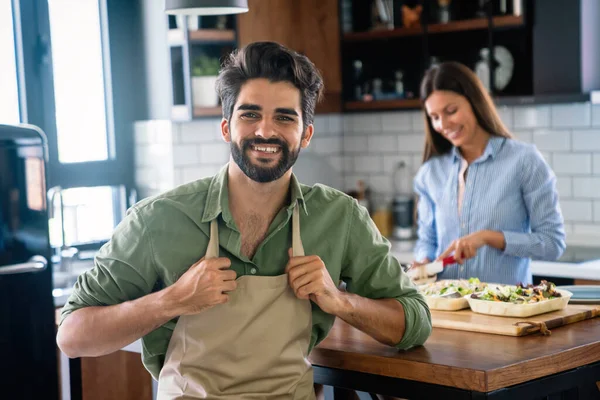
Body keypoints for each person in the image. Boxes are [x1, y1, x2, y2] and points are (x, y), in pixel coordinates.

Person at [56, 41, 432, 399]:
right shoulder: (160, 219)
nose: (265, 131)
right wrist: (172, 300)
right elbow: (72, 335)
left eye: (284, 118)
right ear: (225, 127)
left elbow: (415, 321)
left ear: (306, 136)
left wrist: (339, 300)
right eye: (250, 114)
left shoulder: (339, 217)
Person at [413, 61, 566, 285]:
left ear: (475, 102)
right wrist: (423, 262)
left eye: (451, 111)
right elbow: (427, 240)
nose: (443, 124)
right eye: (434, 117)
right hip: (445, 312)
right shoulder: (430, 173)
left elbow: (553, 244)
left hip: (506, 312)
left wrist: (489, 238)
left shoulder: (524, 161)